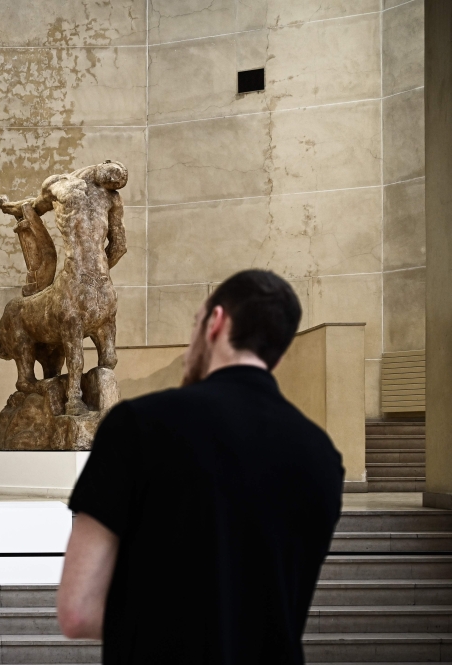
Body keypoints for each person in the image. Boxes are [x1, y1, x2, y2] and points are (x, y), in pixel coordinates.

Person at [57, 269, 344, 664]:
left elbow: (78, 610)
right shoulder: (323, 456)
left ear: (216, 322)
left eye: (195, 324)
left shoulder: (138, 425)